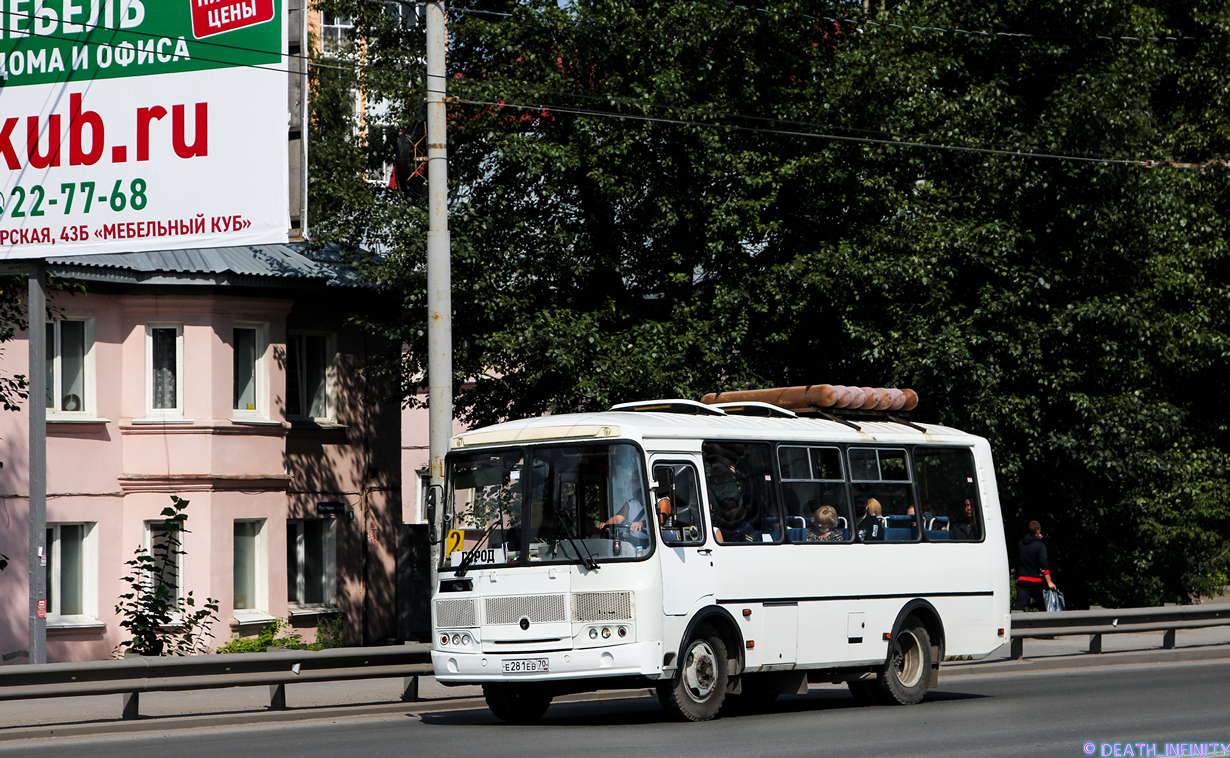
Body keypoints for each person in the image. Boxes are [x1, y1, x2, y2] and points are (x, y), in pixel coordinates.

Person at [1014, 520, 1057, 611]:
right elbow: (1043, 564)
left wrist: (1037, 539)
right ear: (1038, 531)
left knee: (1019, 607)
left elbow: (1030, 548)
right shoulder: (1040, 546)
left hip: (1023, 579)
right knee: (1043, 607)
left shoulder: (1021, 543)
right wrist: (1049, 582)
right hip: (1036, 581)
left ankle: (1015, 619)